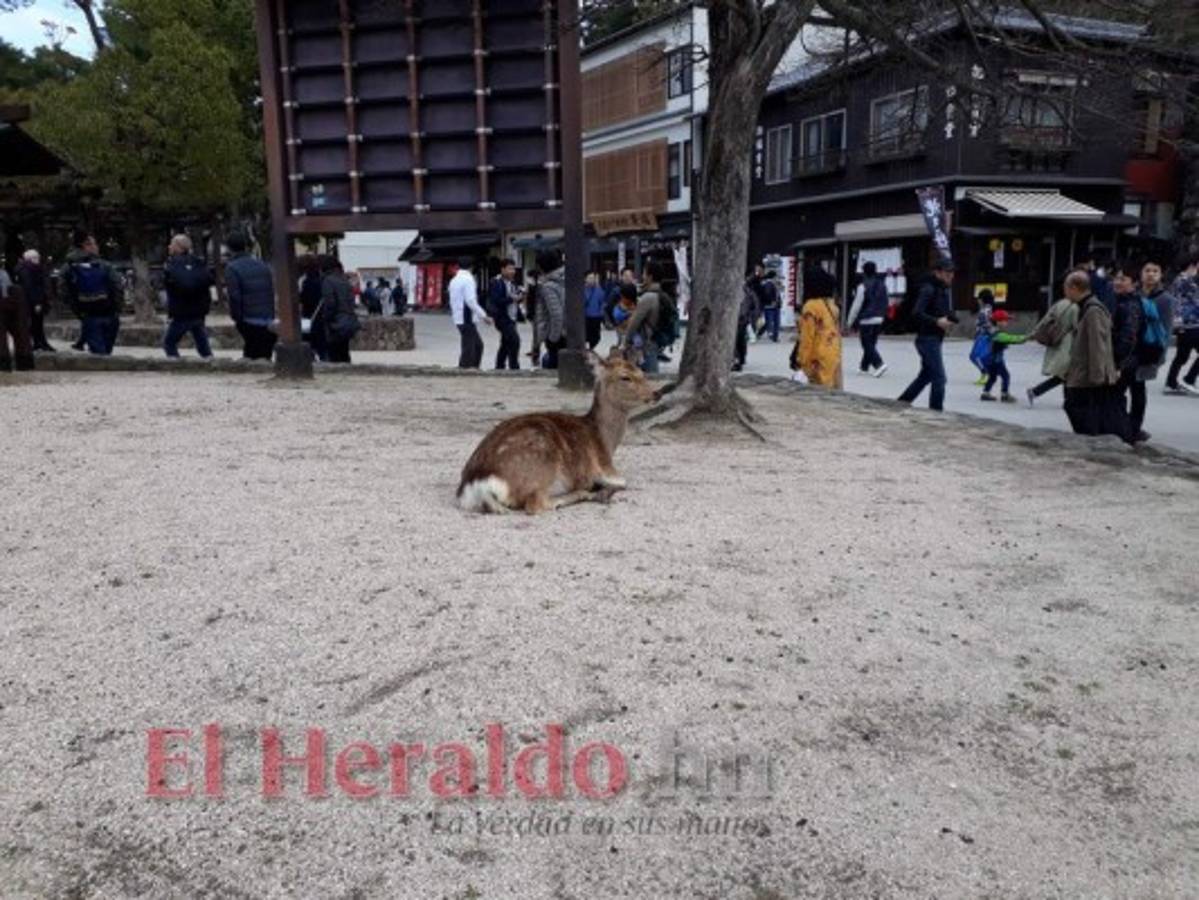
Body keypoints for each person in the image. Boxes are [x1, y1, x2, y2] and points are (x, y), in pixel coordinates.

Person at [1062, 269, 1125, 438]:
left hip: (1088, 377)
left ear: (1074, 288)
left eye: (1066, 287)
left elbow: (1098, 346)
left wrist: (1097, 376)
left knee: (1080, 410)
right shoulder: (1085, 307)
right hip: (1083, 374)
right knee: (1075, 407)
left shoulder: (1093, 310)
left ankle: (1092, 441)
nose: (1064, 291)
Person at [898, 259, 959, 411]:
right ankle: (936, 412)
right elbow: (917, 313)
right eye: (947, 273)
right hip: (927, 339)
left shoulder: (943, 289)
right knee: (939, 378)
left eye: (952, 273)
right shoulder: (928, 289)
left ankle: (901, 402)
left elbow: (939, 311)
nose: (950, 276)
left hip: (935, 338)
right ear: (937, 272)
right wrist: (937, 321)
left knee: (926, 376)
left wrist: (950, 318)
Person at [61, 231, 121, 355]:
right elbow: (117, 286)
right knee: (107, 353)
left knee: (98, 355)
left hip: (88, 315)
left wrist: (79, 312)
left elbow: (64, 292)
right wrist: (116, 309)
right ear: (86, 245)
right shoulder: (105, 265)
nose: (97, 247)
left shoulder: (68, 267)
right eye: (94, 244)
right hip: (109, 314)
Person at [224, 232, 277, 361]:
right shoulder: (263, 266)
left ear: (229, 248)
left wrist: (237, 317)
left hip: (248, 318)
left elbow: (235, 296)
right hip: (267, 317)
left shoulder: (232, 268)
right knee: (265, 354)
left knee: (251, 354)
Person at [1109, 262, 1147, 443]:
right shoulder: (1125, 301)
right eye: (1116, 278)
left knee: (1115, 397)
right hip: (1133, 358)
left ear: (1133, 282)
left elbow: (1128, 337)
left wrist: (1118, 364)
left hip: (1128, 360)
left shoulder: (1130, 305)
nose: (1117, 282)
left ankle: (1126, 433)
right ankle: (1132, 430)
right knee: (1136, 393)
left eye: (1122, 278)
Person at [1026, 285, 1080, 407]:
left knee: (1065, 374)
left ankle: (1036, 392)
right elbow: (1077, 326)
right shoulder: (1076, 306)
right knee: (1067, 374)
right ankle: (1067, 401)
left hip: (1056, 341)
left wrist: (1035, 333)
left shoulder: (1059, 304)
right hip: (1069, 342)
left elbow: (1045, 319)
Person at [162, 234, 215, 359]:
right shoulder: (198, 262)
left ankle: (175, 363)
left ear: (178, 247)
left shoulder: (171, 265)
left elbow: (170, 284)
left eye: (172, 244)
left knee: (169, 342)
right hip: (199, 310)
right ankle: (209, 361)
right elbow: (208, 280)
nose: (169, 246)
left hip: (181, 311)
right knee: (201, 342)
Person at [792, 266, 842, 388]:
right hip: (833, 355)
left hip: (817, 359)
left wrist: (802, 363)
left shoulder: (810, 307)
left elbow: (807, 339)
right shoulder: (831, 305)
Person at [619, 262, 665, 374]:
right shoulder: (660, 294)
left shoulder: (647, 297)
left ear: (650, 276)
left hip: (646, 344)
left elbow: (634, 322)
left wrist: (625, 342)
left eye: (644, 273)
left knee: (648, 376)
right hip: (655, 341)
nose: (642, 276)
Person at [847, 261, 889, 376]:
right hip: (879, 317)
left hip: (866, 318)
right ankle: (864, 367)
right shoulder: (882, 284)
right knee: (871, 343)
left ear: (864, 272)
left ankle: (879, 364)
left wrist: (849, 321)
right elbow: (886, 301)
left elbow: (857, 305)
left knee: (866, 344)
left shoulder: (862, 286)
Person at [1165, 253, 1199, 394]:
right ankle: (1188, 380)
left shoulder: (1180, 279)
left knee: (1181, 355)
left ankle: (1171, 382)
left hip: (1183, 323)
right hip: (1189, 323)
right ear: (1194, 265)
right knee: (1181, 355)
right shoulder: (1187, 280)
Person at [448, 257, 490, 369]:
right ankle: (466, 368)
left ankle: (472, 367)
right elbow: (470, 300)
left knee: (476, 345)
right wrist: (484, 315)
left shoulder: (454, 280)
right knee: (470, 347)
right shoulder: (468, 279)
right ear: (471, 267)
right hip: (467, 317)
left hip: (459, 317)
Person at [979, 309, 1027, 403]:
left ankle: (985, 393)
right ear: (998, 322)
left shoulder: (991, 330)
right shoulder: (997, 334)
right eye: (1005, 320)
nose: (1007, 322)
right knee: (1006, 376)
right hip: (996, 360)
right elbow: (1011, 339)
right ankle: (1005, 394)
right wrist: (1025, 338)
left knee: (992, 377)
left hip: (988, 359)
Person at [319, 255, 358, 364]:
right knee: (344, 352)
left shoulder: (328, 281)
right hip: (348, 321)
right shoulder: (344, 280)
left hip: (336, 323)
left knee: (334, 353)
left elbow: (330, 303)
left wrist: (326, 318)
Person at [15, 250, 54, 352]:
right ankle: (38, 344)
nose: (38, 260)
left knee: (37, 323)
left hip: (31, 301)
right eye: (36, 258)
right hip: (32, 301)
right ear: (30, 259)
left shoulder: (28, 269)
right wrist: (37, 302)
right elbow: (30, 287)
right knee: (35, 323)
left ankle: (38, 343)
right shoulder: (28, 270)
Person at [534, 250, 566, 369]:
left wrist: (553, 338)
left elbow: (556, 314)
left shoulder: (548, 287)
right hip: (570, 332)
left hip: (557, 335)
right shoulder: (568, 278)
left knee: (553, 369)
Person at [488, 258, 521, 370]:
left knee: (506, 344)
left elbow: (514, 298)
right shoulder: (496, 282)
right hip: (502, 318)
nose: (512, 271)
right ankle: (514, 367)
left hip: (512, 317)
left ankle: (499, 366)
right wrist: (512, 299)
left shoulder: (513, 283)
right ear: (502, 269)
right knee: (515, 341)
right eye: (509, 269)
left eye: (513, 269)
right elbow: (496, 300)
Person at [0, 267, 35, 372]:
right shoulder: (4, 273)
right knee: (21, 333)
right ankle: (24, 363)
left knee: (1, 337)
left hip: (5, 301)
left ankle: (4, 364)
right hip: (16, 299)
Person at [299, 255, 327, 362]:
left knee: (308, 346)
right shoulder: (323, 281)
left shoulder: (306, 282)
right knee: (323, 348)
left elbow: (303, 300)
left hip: (309, 318)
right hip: (320, 318)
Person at [968, 289, 995, 386]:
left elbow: (987, 323)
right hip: (982, 336)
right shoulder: (986, 308)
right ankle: (985, 374)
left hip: (983, 336)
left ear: (983, 299)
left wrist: (992, 333)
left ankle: (986, 374)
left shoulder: (985, 310)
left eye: (979, 298)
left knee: (976, 356)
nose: (978, 300)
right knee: (976, 356)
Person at [733, 278, 759, 372]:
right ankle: (738, 359)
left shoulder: (748, 293)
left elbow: (755, 307)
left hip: (742, 319)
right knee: (736, 340)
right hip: (737, 319)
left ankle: (739, 358)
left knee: (739, 340)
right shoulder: (748, 292)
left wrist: (752, 318)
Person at [584, 271, 606, 350]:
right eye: (590, 278)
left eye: (593, 278)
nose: (592, 280)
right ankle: (587, 351)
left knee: (596, 337)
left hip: (596, 317)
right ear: (585, 279)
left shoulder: (599, 290)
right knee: (586, 336)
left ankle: (591, 349)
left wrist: (601, 313)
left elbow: (602, 302)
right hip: (586, 317)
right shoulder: (582, 289)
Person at [759, 269, 782, 342]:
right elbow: (767, 294)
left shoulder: (773, 284)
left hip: (775, 305)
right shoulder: (768, 284)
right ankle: (772, 335)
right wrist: (772, 301)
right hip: (770, 306)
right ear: (773, 277)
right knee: (772, 321)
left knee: (774, 322)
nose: (777, 278)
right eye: (776, 276)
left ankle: (774, 336)